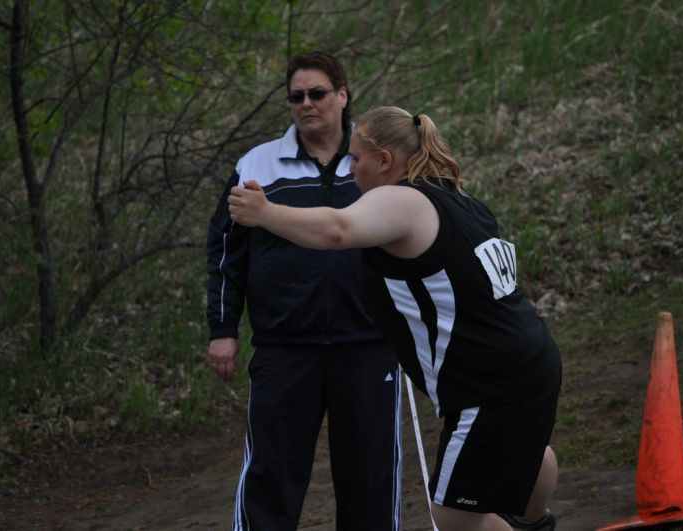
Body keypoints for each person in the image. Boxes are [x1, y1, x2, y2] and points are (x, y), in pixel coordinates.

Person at [227, 106, 562, 531]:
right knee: (530, 455)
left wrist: (265, 213)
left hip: (489, 380)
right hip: (534, 359)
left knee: (454, 512)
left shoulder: (402, 199)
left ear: (384, 160)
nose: (349, 169)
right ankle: (537, 523)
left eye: (356, 159)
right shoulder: (459, 197)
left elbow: (338, 231)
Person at [206, 53, 402, 531]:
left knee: (370, 477)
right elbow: (226, 249)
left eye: (317, 93)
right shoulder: (257, 164)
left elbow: (415, 235)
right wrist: (223, 328)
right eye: (296, 97)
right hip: (285, 346)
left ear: (342, 95)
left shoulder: (376, 161)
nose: (306, 104)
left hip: (370, 343)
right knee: (271, 476)